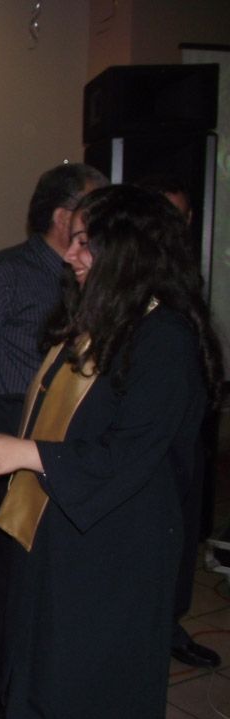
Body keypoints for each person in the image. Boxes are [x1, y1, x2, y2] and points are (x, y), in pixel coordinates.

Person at [0, 184, 224, 719]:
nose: (72, 256)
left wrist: (28, 455)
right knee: (58, 706)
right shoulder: (105, 322)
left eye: (85, 243)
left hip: (114, 553)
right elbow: (67, 419)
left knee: (84, 711)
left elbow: (129, 452)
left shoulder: (164, 336)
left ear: (127, 249)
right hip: (68, 538)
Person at [0, 162, 108, 719]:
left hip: (65, 453)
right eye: (93, 207)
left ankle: (31, 689)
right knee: (1, 583)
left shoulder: (96, 276)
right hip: (3, 445)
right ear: (64, 216)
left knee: (45, 586)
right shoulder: (4, 276)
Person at [138, 175, 222, 670]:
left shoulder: (185, 277)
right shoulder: (136, 285)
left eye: (182, 216)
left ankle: (170, 622)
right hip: (148, 439)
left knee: (185, 531)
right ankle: (154, 627)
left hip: (185, 427)